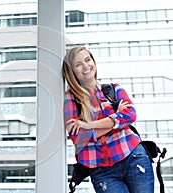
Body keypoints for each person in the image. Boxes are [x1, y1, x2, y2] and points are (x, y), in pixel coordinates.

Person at [62, 46, 154, 193]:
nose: (86, 66)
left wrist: (89, 125)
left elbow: (130, 115)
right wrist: (116, 121)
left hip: (133, 156)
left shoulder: (114, 89)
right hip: (102, 171)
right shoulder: (71, 100)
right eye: (78, 64)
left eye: (88, 60)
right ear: (71, 71)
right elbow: (79, 138)